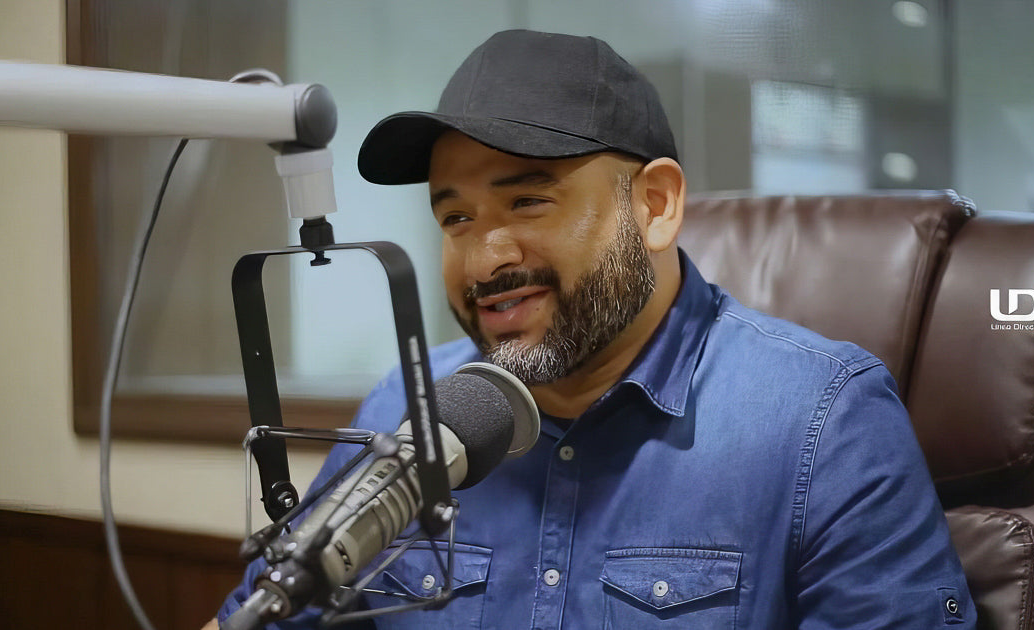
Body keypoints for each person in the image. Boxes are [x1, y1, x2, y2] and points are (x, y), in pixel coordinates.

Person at [211, 29, 975, 629]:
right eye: (456, 218)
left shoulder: (825, 424)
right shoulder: (407, 410)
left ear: (655, 206)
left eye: (528, 202)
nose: (484, 259)